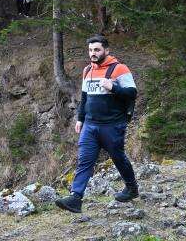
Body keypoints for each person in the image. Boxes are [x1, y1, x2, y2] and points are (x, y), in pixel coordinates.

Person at [55, 35, 138, 213]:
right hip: (90, 125)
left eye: (97, 50)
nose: (93, 53)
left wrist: (113, 87)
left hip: (113, 125)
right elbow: (85, 98)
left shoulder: (119, 69)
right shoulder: (87, 71)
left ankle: (132, 188)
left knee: (118, 158)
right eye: (91, 50)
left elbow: (132, 93)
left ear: (106, 50)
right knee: (84, 160)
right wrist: (80, 118)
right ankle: (76, 198)